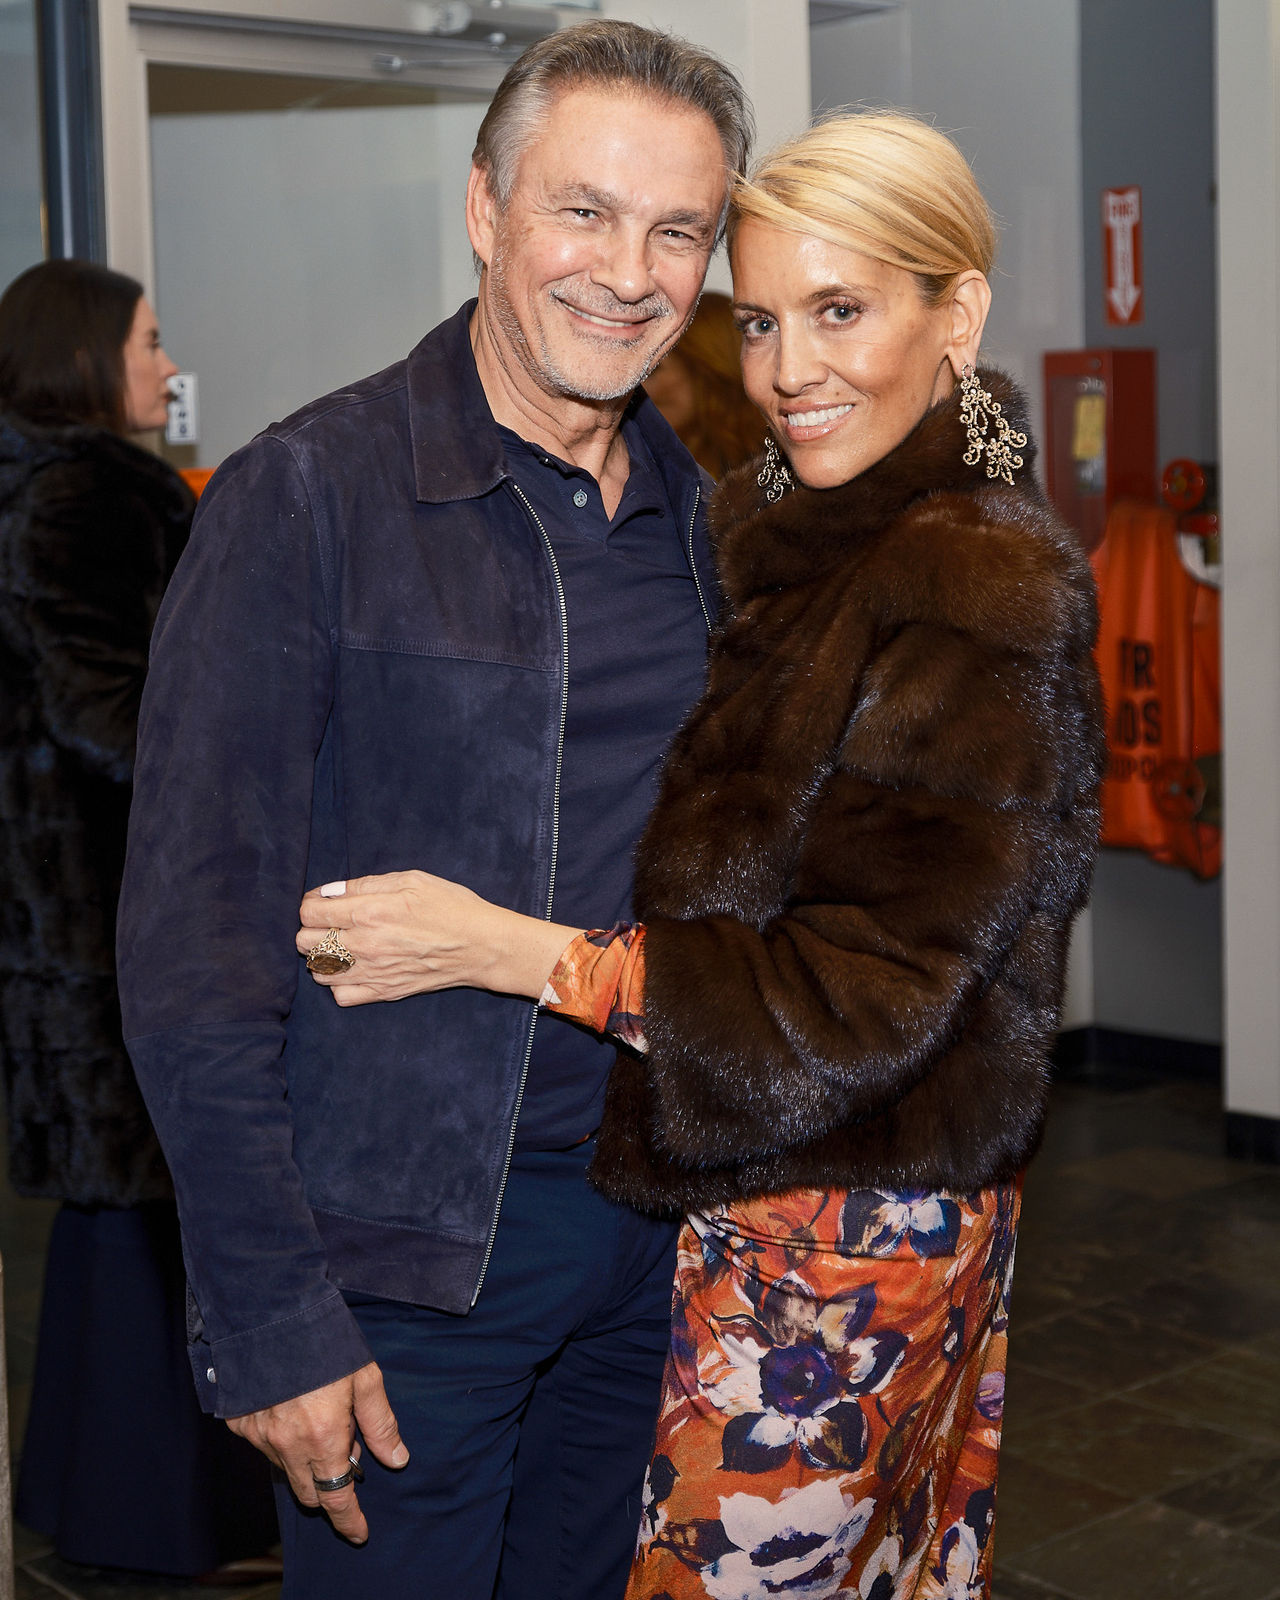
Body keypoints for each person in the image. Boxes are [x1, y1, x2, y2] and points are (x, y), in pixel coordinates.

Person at [296, 112, 1106, 1599]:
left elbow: (860, 997)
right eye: (762, 319)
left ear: (961, 311)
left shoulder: (973, 581)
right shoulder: (799, 526)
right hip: (761, 1206)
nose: (792, 371)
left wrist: (507, 948)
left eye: (844, 311)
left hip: (843, 1239)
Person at [116, 21, 752, 1600]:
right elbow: (193, 948)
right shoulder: (307, 497)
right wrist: (267, 1314)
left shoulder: (712, 529)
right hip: (405, 1270)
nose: (629, 269)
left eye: (678, 229)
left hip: (653, 1236)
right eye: (582, 211)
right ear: (485, 209)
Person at [0, 258, 279, 1580]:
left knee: (117, 1218)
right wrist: (255, 764)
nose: (168, 368)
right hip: (115, 911)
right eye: (152, 343)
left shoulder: (37, 482)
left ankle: (79, 1487)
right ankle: (157, 1519)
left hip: (67, 913)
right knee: (156, 1210)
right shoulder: (82, 492)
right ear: (84, 356)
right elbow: (104, 710)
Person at [643, 290, 764, 476]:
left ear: (706, 371)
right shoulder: (640, 460)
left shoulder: (777, 472)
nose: (637, 386)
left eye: (653, 370)